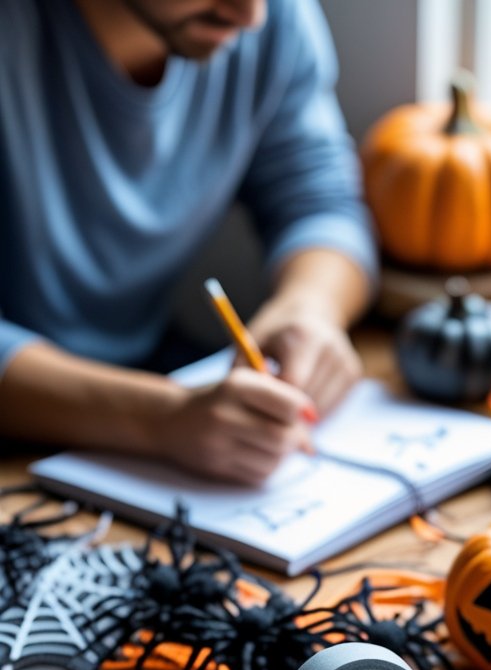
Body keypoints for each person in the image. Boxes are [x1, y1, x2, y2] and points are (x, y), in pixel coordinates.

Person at [0, 0, 378, 485]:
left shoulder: (275, 14)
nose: (252, 17)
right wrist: (159, 419)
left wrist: (311, 305)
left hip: (156, 387)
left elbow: (321, 201)